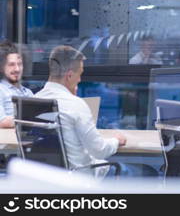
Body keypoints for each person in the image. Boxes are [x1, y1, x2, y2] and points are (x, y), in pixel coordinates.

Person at [35, 45, 157, 178]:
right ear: (69, 76)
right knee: (149, 173)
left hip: (47, 178)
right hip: (82, 178)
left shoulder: (32, 102)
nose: (80, 80)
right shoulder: (75, 104)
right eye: (80, 74)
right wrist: (116, 140)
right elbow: (99, 150)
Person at [0, 40, 34, 128]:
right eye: (11, 65)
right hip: (8, 140)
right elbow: (2, 122)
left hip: (28, 139)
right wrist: (31, 120)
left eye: (19, 64)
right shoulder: (1, 90)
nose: (17, 69)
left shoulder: (28, 92)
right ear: (1, 68)